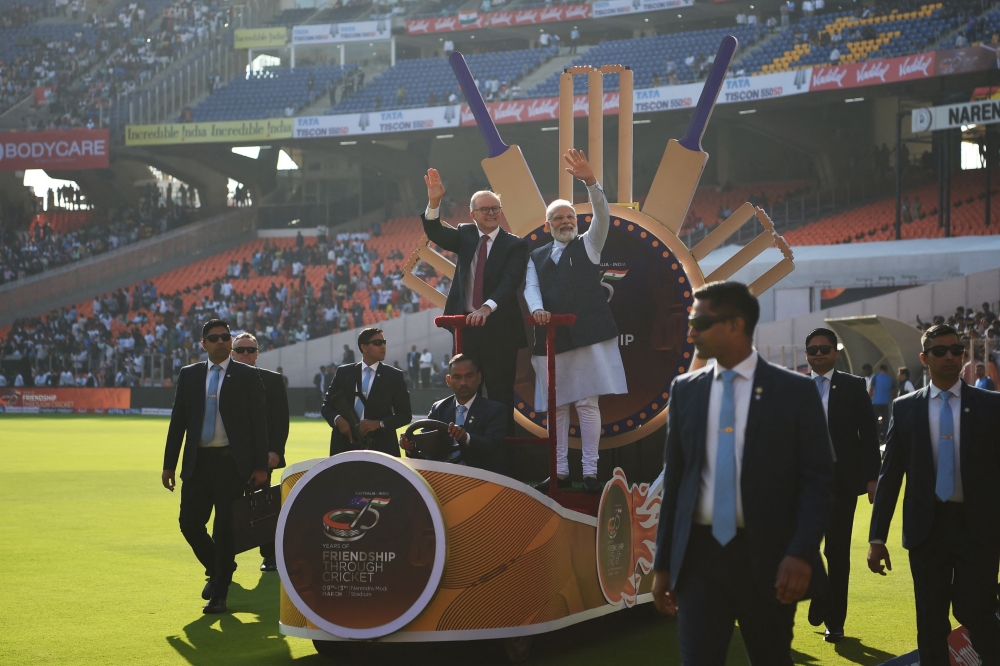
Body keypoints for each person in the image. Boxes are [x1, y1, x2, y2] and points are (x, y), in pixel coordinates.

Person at [652, 282, 834, 665]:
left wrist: (800, 552)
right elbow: (676, 483)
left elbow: (818, 480)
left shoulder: (795, 392)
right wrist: (665, 564)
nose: (690, 332)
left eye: (699, 322)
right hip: (698, 562)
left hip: (769, 559)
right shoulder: (685, 390)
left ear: (736, 325)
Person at [868, 325, 1000, 664]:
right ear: (924, 358)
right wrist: (877, 537)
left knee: (977, 610)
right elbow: (891, 475)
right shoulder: (905, 408)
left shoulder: (990, 405)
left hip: (979, 528)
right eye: (940, 352)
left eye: (956, 350)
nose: (951, 357)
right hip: (927, 528)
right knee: (930, 619)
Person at [524, 149, 627, 493]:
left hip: (589, 335)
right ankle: (560, 471)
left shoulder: (590, 245)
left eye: (570, 217)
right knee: (557, 406)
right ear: (547, 225)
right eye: (558, 219)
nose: (566, 222)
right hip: (550, 339)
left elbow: (603, 215)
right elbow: (531, 288)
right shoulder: (534, 256)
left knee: (586, 403)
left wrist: (591, 183)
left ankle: (590, 473)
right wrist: (538, 310)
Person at [161, 319, 270, 614]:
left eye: (225, 337)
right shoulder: (190, 375)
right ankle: (220, 567)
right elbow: (178, 422)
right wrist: (169, 464)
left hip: (231, 465)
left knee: (224, 529)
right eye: (214, 338)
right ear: (203, 343)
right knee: (190, 524)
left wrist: (261, 466)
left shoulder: (246, 376)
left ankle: (219, 594)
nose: (221, 341)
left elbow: (259, 424)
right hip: (198, 463)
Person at [422, 168, 529, 434]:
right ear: (473, 214)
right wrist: (434, 201)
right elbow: (435, 232)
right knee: (466, 393)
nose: (491, 213)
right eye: (485, 209)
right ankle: (465, 454)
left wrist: (486, 308)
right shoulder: (465, 235)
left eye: (496, 208)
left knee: (500, 393)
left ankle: (502, 459)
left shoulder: (515, 245)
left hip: (500, 330)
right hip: (465, 330)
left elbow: (510, 281)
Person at [802, 328, 880, 643]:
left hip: (841, 481)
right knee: (802, 546)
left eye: (824, 349)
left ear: (836, 352)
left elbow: (869, 435)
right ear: (805, 353)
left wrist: (873, 477)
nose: (818, 354)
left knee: (837, 551)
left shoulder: (853, 386)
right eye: (812, 349)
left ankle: (836, 622)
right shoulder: (794, 388)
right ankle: (820, 593)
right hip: (804, 482)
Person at [230, 332, 289, 572]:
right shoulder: (223, 379)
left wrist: (276, 450)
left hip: (262, 455)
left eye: (250, 350)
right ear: (232, 353)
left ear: (257, 353)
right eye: (241, 350)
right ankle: (223, 555)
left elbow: (280, 420)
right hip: (228, 455)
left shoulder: (273, 380)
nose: (246, 354)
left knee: (265, 506)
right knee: (227, 506)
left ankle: (270, 555)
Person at [402, 354, 508, 474]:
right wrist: (410, 446)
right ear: (448, 380)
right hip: (442, 478)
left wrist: (466, 437)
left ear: (479, 378)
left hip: (480, 479)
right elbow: (425, 448)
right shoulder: (438, 408)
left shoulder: (495, 410)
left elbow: (492, 445)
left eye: (469, 376)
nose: (463, 383)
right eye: (457, 377)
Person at [322, 328, 412, 457]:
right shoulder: (344, 372)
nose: (383, 346)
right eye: (377, 343)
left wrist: (379, 424)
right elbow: (326, 406)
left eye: (384, 342)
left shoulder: (394, 376)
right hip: (344, 447)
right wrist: (338, 420)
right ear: (363, 347)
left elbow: (404, 415)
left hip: (381, 450)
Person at [869, 364, 893, 442]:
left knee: (874, 420)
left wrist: (869, 398)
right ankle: (886, 437)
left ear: (880, 370)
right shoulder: (890, 379)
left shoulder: (875, 377)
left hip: (875, 402)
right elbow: (893, 392)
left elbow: (871, 389)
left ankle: (877, 437)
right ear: (886, 370)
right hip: (885, 403)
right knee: (886, 421)